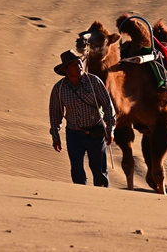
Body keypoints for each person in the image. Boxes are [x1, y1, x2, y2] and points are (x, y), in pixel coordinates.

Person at [48, 50, 116, 187]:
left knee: (100, 171)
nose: (78, 66)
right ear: (66, 69)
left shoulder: (94, 82)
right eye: (73, 64)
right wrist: (55, 135)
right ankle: (81, 197)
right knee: (77, 170)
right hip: (74, 135)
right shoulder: (59, 88)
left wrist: (110, 129)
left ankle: (103, 197)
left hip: (96, 133)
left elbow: (108, 106)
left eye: (79, 63)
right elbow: (55, 114)